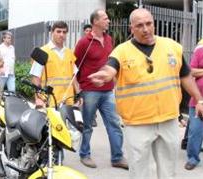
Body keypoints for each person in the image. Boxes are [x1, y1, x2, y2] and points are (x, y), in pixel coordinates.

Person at [88, 8, 203, 179]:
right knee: (139, 171)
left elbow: (185, 75)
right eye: (140, 25)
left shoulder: (172, 47)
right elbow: (111, 67)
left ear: (154, 24)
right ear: (131, 28)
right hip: (137, 123)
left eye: (149, 23)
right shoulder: (122, 51)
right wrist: (106, 74)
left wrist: (199, 100)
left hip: (168, 119)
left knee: (168, 170)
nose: (146, 29)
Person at [74, 9, 127, 169]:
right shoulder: (84, 42)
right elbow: (75, 65)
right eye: (105, 18)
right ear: (95, 21)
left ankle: (117, 157)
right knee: (88, 125)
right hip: (89, 90)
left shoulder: (109, 39)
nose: (108, 21)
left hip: (108, 90)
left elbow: (112, 62)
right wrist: (78, 90)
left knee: (114, 124)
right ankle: (84, 154)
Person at [30, 21, 81, 108]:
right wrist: (38, 98)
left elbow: (74, 76)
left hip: (68, 101)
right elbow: (35, 77)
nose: (61, 34)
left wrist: (79, 94)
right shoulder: (42, 52)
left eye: (64, 32)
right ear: (52, 33)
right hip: (49, 101)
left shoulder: (69, 53)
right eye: (58, 31)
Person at [185, 38, 203, 170]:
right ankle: (192, 158)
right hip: (198, 100)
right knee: (195, 131)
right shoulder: (199, 51)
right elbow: (190, 71)